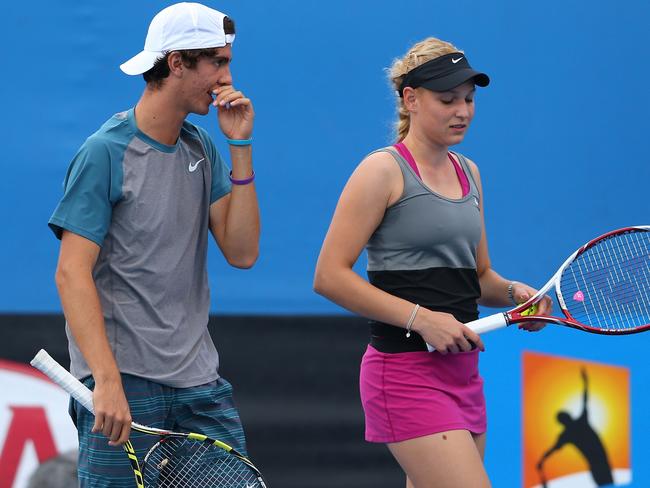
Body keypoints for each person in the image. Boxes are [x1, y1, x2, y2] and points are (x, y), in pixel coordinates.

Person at [313, 37, 551, 487]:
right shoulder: (381, 171)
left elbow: (478, 278)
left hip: (463, 374)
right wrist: (422, 320)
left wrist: (517, 294)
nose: (462, 110)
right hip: (403, 373)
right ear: (411, 99)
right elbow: (328, 276)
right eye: (447, 100)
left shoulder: (470, 171)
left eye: (468, 99)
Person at [48, 3, 259, 486]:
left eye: (228, 61)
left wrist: (240, 147)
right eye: (217, 62)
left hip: (200, 382)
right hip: (124, 383)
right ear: (178, 63)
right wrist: (105, 380)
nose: (227, 76)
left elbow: (243, 253)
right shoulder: (105, 151)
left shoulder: (202, 147)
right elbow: (71, 273)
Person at [537, 367, 614, 486]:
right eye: (566, 416)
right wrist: (585, 381)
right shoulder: (575, 427)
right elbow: (552, 449)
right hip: (599, 464)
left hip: (600, 463)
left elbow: (585, 399)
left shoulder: (570, 431)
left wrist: (542, 460)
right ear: (566, 418)